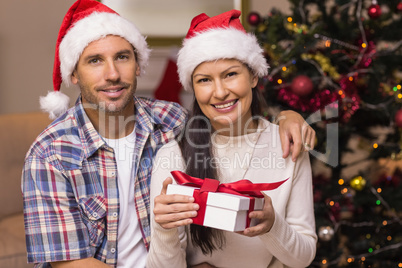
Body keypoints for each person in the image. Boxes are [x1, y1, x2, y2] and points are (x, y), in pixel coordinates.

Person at [22, 0, 315, 267]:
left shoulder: (169, 120)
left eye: (122, 57)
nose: (112, 74)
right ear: (73, 74)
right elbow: (70, 263)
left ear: (138, 65)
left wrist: (288, 118)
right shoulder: (50, 153)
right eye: (95, 61)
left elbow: (229, 120)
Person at [147, 10, 317, 268]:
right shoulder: (173, 155)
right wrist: (164, 228)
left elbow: (303, 257)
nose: (220, 92)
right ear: (193, 89)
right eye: (204, 80)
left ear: (253, 76)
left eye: (230, 74)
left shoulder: (288, 144)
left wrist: (272, 226)